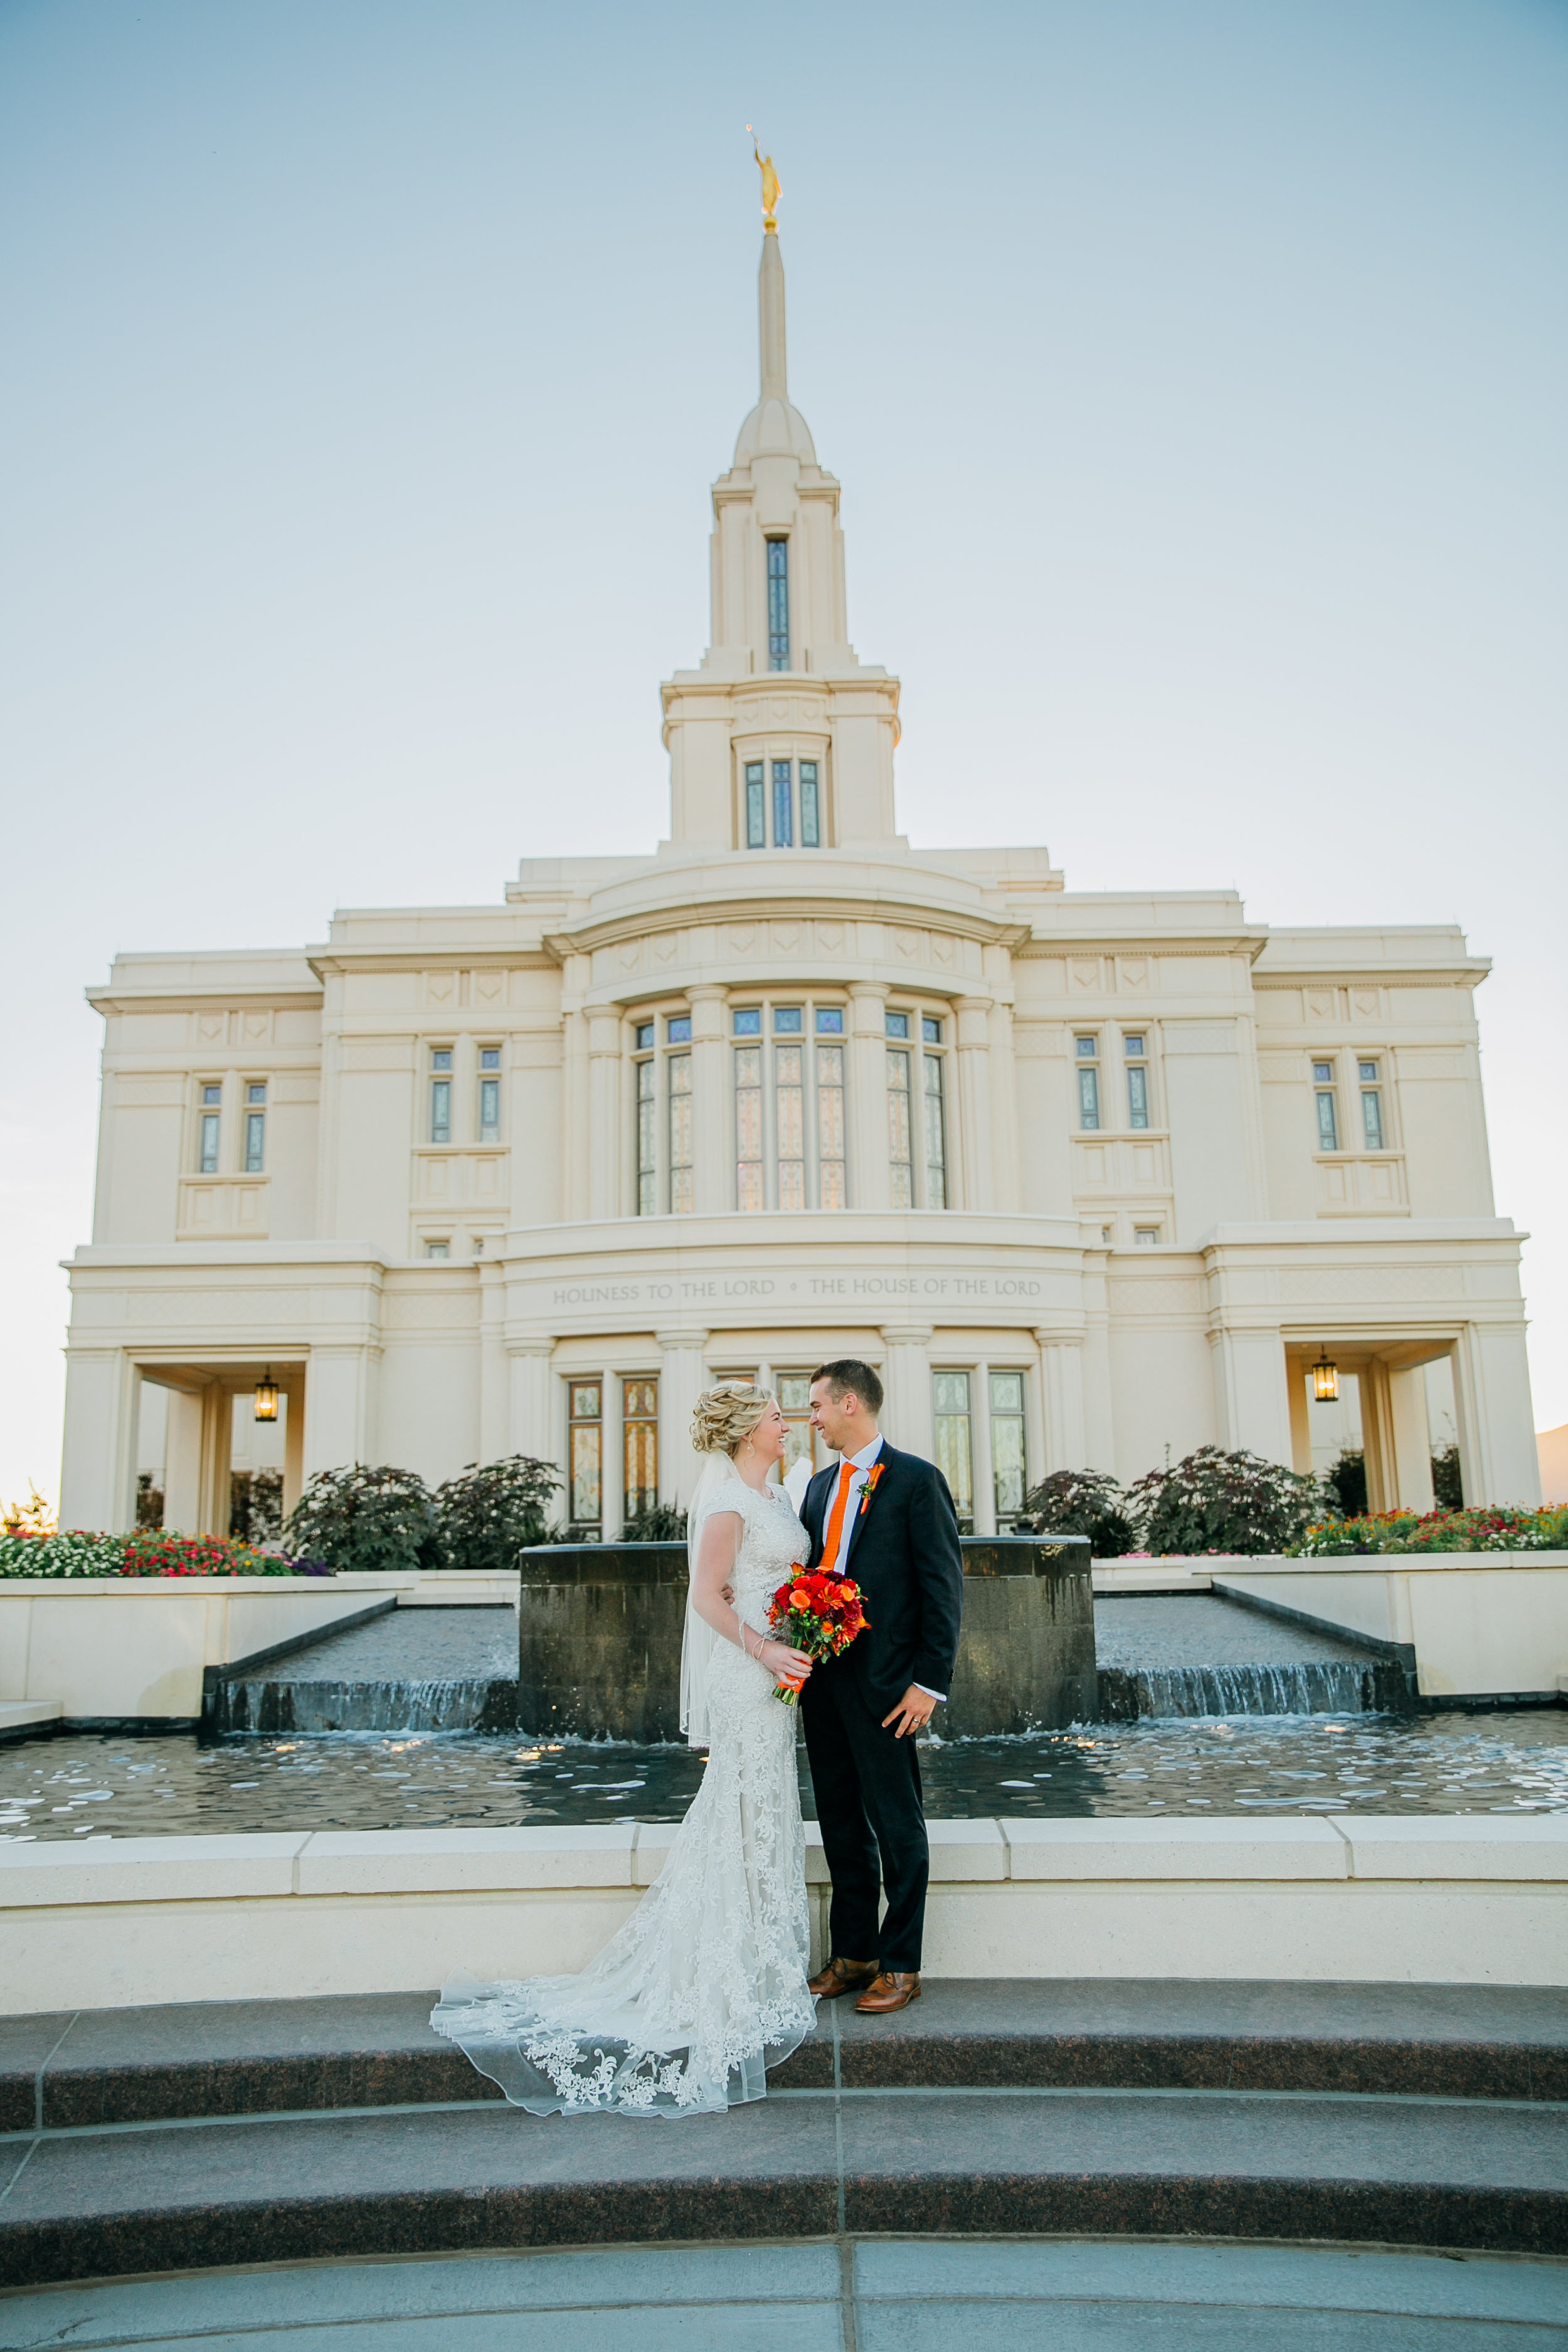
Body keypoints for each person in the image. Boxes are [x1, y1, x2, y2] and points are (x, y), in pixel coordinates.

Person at [430, 1382, 817, 2117]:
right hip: (748, 1674)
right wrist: (766, 1649)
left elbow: (776, 1580)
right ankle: (721, 1972)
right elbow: (705, 1597)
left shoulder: (776, 1499)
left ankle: (758, 1964)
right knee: (740, 1804)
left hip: (780, 1669)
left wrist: (807, 1620)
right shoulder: (729, 1502)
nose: (784, 1422)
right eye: (773, 1415)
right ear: (744, 1433)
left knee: (764, 1805)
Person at [797, 1359, 965, 2015]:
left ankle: (901, 1965)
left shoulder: (917, 1481)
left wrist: (929, 1682)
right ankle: (855, 1954)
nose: (810, 1418)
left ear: (848, 1404)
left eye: (815, 1406)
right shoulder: (814, 1488)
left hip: (892, 1686)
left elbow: (943, 1589)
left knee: (897, 1825)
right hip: (824, 1684)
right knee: (840, 1821)